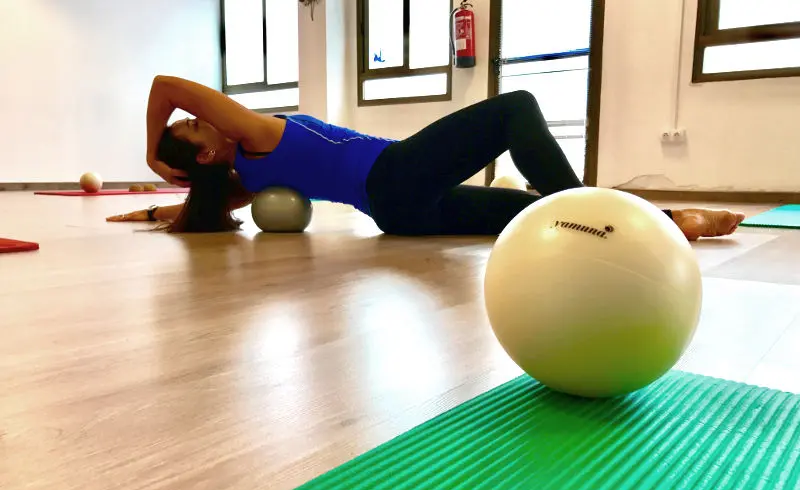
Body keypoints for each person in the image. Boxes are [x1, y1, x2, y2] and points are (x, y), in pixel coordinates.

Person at [108, 76, 745, 241]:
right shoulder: (247, 138)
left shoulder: (241, 178)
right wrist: (150, 148)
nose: (195, 117)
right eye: (192, 127)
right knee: (515, 107)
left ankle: (669, 222)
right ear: (208, 147)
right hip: (396, 176)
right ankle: (595, 218)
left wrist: (145, 214)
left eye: (188, 122)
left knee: (530, 214)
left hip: (401, 213)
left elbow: (192, 204)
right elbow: (166, 84)